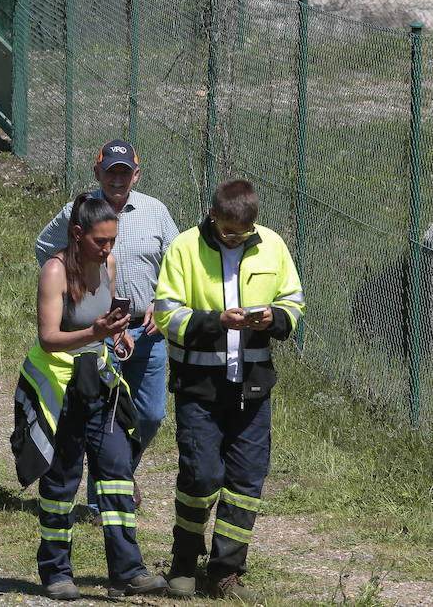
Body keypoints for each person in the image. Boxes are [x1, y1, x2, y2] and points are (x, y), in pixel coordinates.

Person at [154, 179, 304, 602]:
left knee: (245, 481)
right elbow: (167, 313)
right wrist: (216, 321)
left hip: (253, 387)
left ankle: (226, 572)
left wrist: (273, 318)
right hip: (199, 388)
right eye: (228, 231)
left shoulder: (273, 246)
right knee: (201, 476)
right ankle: (184, 561)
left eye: (243, 232)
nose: (236, 238)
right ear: (212, 214)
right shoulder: (184, 248)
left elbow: (294, 302)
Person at [12, 193, 167, 602]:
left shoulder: (108, 264)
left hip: (99, 383)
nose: (108, 250)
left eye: (112, 241)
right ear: (78, 234)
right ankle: (57, 572)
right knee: (62, 480)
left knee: (117, 471)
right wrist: (96, 334)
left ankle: (127, 573)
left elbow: (106, 325)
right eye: (100, 241)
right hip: (60, 389)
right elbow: (49, 340)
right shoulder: (55, 271)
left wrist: (117, 338)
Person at [35, 140, 179, 523]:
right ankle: (104, 498)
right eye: (109, 171)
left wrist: (162, 301)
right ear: (97, 173)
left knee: (150, 414)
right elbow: (44, 248)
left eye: (124, 172)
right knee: (104, 417)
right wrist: (73, 292)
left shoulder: (155, 212)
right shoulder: (76, 211)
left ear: (136, 174)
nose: (117, 179)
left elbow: (179, 263)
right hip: (95, 334)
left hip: (147, 331)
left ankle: (119, 473)